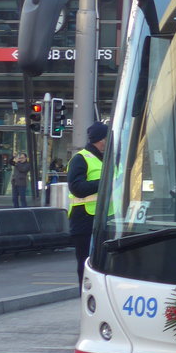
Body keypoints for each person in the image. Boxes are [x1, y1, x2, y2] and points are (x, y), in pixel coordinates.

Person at [68, 121, 108, 287]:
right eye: (108, 138)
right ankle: (86, 295)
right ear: (101, 140)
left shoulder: (106, 159)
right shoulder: (81, 159)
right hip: (84, 219)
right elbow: (77, 188)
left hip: (105, 219)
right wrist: (104, 182)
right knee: (86, 263)